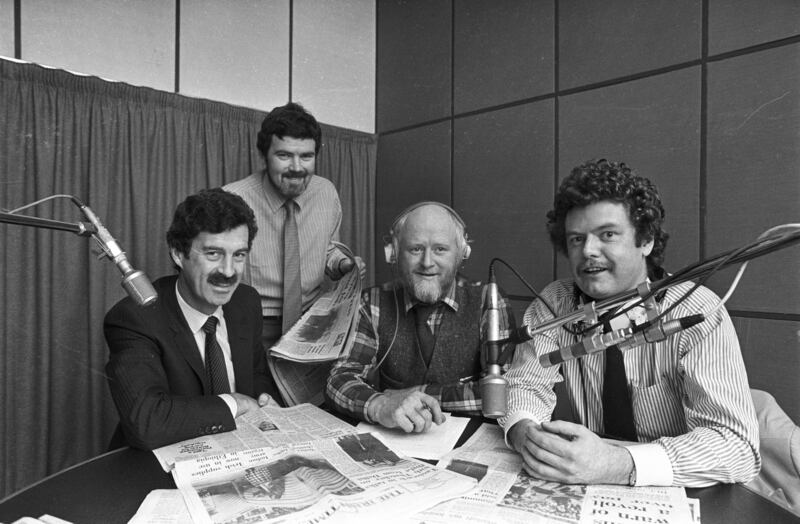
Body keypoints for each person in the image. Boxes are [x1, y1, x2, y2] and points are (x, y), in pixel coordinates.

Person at [501, 159, 760, 487]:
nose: (588, 251)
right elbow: (525, 384)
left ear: (646, 240)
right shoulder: (556, 304)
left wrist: (619, 464)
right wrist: (526, 433)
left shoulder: (697, 309)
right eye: (576, 239)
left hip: (676, 492)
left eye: (607, 234)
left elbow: (736, 446)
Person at [104, 188, 281, 450]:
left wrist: (266, 400)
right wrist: (235, 403)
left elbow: (255, 374)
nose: (228, 271)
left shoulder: (247, 301)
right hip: (161, 467)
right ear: (178, 253)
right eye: (213, 254)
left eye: (239, 255)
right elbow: (147, 421)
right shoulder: (134, 317)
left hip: (239, 451)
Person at [325, 201, 514, 433]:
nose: (427, 262)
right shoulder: (372, 303)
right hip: (396, 443)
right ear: (394, 254)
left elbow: (504, 394)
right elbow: (339, 380)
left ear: (462, 253)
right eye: (415, 249)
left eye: (440, 249)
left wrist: (420, 394)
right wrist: (380, 404)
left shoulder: (490, 301)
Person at [223, 102, 362, 350]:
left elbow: (327, 249)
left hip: (311, 322)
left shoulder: (326, 193)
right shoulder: (233, 199)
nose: (297, 168)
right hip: (249, 324)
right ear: (265, 155)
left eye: (306, 156)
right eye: (284, 155)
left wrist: (344, 264)